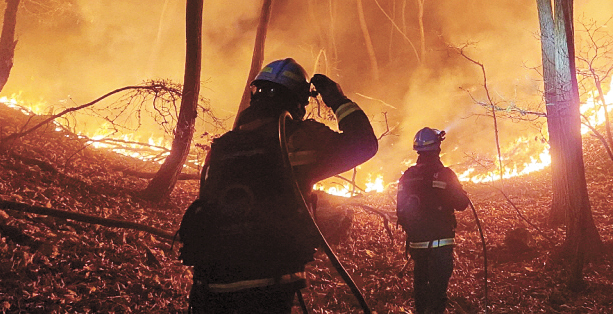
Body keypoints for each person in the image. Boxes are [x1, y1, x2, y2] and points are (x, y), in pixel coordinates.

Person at [188, 57, 378, 314]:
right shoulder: (298, 138)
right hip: (267, 282)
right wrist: (337, 100)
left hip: (210, 283)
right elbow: (363, 144)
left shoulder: (225, 145)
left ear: (255, 95)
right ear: (298, 101)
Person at [396, 127, 469, 314]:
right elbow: (461, 204)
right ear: (438, 148)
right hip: (440, 244)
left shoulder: (407, 176)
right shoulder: (445, 174)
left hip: (417, 246)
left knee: (420, 290)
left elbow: (400, 212)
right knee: (437, 294)